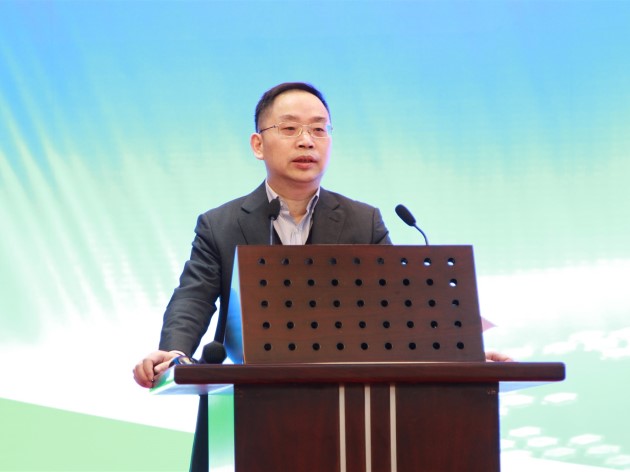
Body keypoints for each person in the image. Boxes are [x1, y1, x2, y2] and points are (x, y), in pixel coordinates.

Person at [133, 82, 510, 388]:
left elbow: (398, 312)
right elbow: (194, 297)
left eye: (318, 129)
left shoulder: (363, 221)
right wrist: (174, 353)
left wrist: (462, 355)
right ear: (258, 145)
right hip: (250, 395)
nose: (306, 141)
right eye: (289, 128)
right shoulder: (220, 224)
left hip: (348, 398)